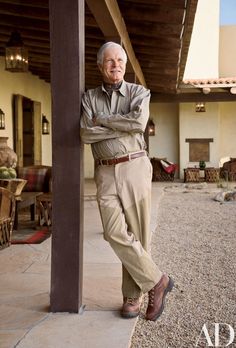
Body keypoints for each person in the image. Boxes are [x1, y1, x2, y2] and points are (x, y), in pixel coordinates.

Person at [80, 42, 173, 321]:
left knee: (138, 233)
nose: (116, 65)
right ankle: (158, 280)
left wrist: (105, 121)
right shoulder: (89, 98)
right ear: (100, 65)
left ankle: (132, 297)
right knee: (113, 231)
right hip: (105, 171)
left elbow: (138, 124)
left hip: (134, 166)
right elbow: (85, 133)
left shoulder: (139, 92)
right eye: (110, 61)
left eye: (120, 60)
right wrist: (120, 125)